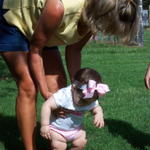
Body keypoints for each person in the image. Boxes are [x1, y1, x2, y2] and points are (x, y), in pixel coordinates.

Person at [0, 0, 139, 149]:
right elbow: (35, 49)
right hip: (14, 20)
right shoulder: (58, 7)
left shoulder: (94, 19)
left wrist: (77, 86)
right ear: (103, 15)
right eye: (108, 27)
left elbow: (74, 50)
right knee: (29, 87)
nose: (104, 31)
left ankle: (56, 142)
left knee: (58, 86)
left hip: (41, 26)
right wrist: (46, 93)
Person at [40, 68, 110, 150]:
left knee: (81, 143)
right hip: (57, 129)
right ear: (73, 88)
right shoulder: (64, 95)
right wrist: (44, 125)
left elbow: (96, 107)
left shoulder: (91, 97)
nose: (85, 104)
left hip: (76, 129)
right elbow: (46, 105)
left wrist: (98, 114)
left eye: (89, 102)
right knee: (59, 146)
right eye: (82, 100)